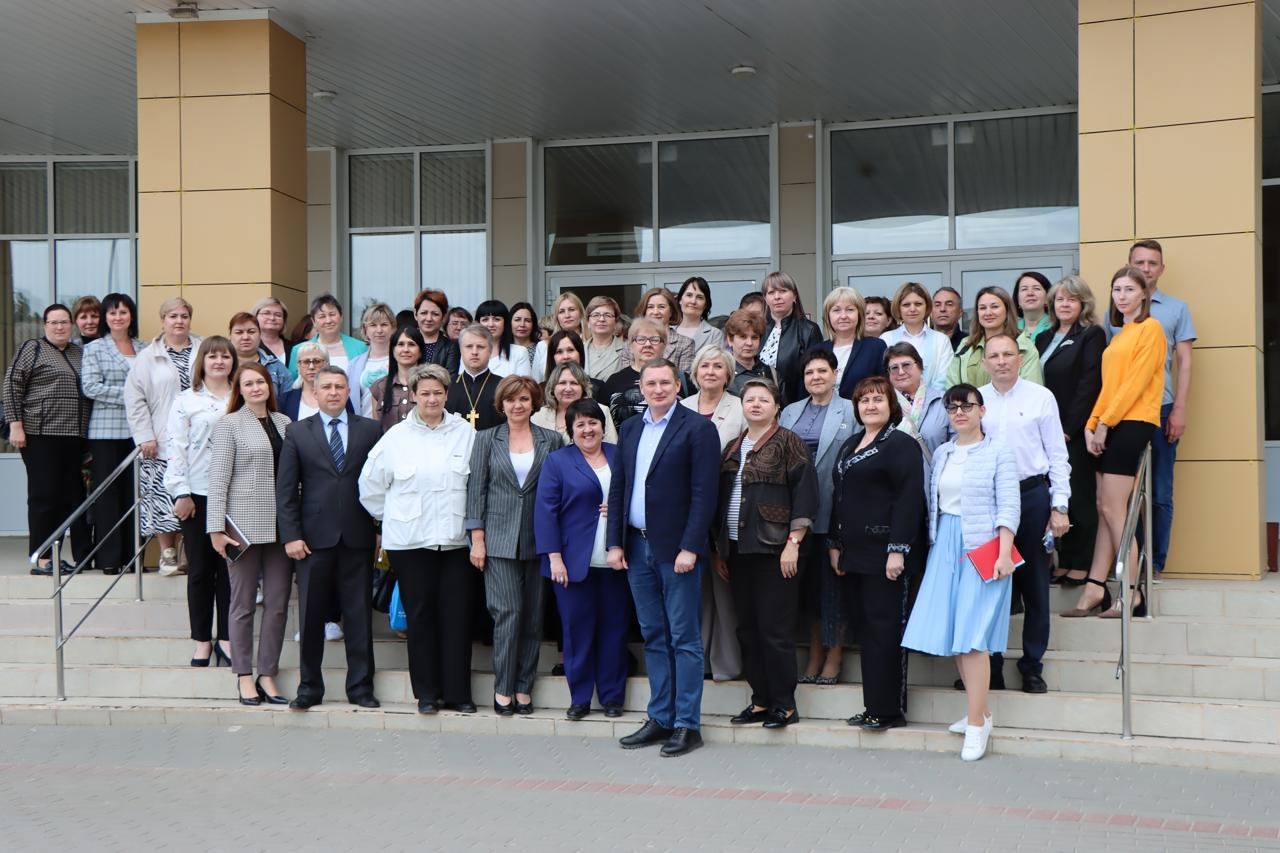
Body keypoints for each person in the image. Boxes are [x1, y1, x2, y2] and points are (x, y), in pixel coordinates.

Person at [608, 358, 721, 757]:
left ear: (677, 385)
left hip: (676, 551)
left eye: (665, 383)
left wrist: (691, 546)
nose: (657, 390)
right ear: (641, 388)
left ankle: (687, 724)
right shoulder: (630, 428)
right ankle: (660, 718)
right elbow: (619, 487)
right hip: (636, 546)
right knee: (654, 635)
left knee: (683, 637)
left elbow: (705, 494)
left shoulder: (698, 428)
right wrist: (614, 543)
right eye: (650, 384)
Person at [901, 384, 1020, 762]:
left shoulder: (999, 451)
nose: (959, 413)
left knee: (972, 637)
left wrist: (1004, 553)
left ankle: (976, 725)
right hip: (945, 545)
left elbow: (1009, 505)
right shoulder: (944, 452)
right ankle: (978, 713)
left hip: (984, 546)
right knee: (955, 634)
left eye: (966, 406)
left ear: (982, 410)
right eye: (952, 408)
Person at [359, 363, 479, 715]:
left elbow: (477, 484)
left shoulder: (464, 433)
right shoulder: (396, 437)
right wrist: (394, 519)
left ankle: (458, 693)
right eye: (424, 393)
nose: (431, 399)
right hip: (410, 543)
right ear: (413, 395)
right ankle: (427, 693)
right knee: (421, 617)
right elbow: (370, 488)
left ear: (447, 394)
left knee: (457, 617)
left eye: (437, 393)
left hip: (455, 542)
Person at [276, 366, 383, 710]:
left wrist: (379, 530)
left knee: (359, 615)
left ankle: (361, 687)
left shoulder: (370, 429)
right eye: (327, 387)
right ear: (315, 392)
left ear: (349, 392)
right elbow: (286, 490)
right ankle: (309, 687)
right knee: (311, 617)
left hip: (358, 535)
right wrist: (291, 535)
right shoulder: (297, 431)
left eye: (339, 386)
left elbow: (381, 482)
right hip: (312, 539)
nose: (334, 392)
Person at [716, 378, 817, 730]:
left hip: (776, 550)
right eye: (750, 400)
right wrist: (719, 550)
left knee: (775, 629)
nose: (756, 405)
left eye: (763, 400)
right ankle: (760, 700)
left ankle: (784, 705)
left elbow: (806, 496)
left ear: (777, 407)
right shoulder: (732, 447)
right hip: (737, 549)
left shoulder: (790, 442)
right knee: (747, 628)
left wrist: (794, 542)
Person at [1065, 266, 1166, 619]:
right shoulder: (1120, 334)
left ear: (1144, 294)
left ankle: (1132, 592)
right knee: (1104, 506)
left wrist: (1106, 423)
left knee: (1114, 509)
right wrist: (1093, 424)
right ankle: (1095, 588)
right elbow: (1109, 387)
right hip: (1111, 422)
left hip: (1134, 422)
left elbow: (1136, 383)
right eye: (1116, 289)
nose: (1122, 296)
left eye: (1129, 289)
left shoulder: (1151, 329)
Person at [828, 376, 926, 731]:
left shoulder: (901, 444)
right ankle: (873, 706)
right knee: (868, 632)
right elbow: (839, 497)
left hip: (886, 556)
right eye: (864, 400)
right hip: (854, 554)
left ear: (891, 405)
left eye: (878, 399)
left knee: (885, 631)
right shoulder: (850, 443)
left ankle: (889, 711)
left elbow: (908, 500)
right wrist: (835, 544)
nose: (871, 405)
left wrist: (897, 550)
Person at [466, 375, 565, 715]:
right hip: (498, 540)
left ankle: (524, 686)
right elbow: (476, 491)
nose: (517, 405)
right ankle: (503, 686)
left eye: (524, 399)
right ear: (502, 404)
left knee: (533, 617)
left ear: (534, 402)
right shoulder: (485, 439)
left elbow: (559, 491)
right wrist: (477, 539)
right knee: (508, 613)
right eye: (511, 399)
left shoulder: (552, 439)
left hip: (540, 540)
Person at [978, 334, 1070, 694]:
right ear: (984, 362)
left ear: (1020, 359)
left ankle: (1032, 665)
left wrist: (1059, 506)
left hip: (1031, 495)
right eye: (994, 356)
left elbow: (1057, 455)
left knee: (1034, 586)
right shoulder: (976, 401)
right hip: (988, 499)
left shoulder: (1040, 397)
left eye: (1008, 354)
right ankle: (991, 666)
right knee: (991, 585)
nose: (1001, 361)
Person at [535, 399, 630, 720]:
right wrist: (554, 558)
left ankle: (612, 697)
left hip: (616, 560)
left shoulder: (620, 455)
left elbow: (637, 496)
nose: (588, 430)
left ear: (603, 426)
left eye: (593, 423)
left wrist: (618, 509)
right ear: (570, 430)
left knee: (614, 630)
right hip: (572, 563)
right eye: (580, 424)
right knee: (577, 632)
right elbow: (545, 513)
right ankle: (580, 698)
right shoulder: (558, 461)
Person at [206, 363, 293, 707]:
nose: (256, 387)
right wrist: (215, 529)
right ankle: (244, 674)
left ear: (269, 386)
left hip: (282, 527)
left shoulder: (285, 423)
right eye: (249, 383)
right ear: (239, 390)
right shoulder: (229, 424)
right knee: (242, 604)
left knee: (277, 604)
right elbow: (217, 479)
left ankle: (267, 673)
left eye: (261, 382)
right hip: (242, 528)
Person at [1115, 239, 1196, 576]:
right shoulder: (1116, 310)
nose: (1146, 268)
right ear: (1130, 265)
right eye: (1140, 262)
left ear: (1161, 269)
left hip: (1162, 409)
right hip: (1123, 414)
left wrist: (1180, 409)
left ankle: (1155, 564)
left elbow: (1185, 362)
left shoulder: (1176, 309)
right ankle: (1133, 563)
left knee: (1160, 491)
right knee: (1125, 493)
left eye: (1152, 263)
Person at [780, 349, 856, 685]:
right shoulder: (790, 411)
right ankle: (813, 653)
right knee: (809, 591)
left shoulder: (850, 409)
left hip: (834, 508)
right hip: (796, 511)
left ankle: (834, 655)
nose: (816, 377)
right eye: (810, 372)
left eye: (822, 371)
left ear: (835, 374)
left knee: (834, 588)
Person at [165, 336, 237, 668]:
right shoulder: (186, 400)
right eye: (213, 356)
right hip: (198, 494)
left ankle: (227, 638)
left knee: (230, 571)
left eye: (225, 356)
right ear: (202, 362)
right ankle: (202, 641)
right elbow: (175, 447)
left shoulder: (241, 396)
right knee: (200, 570)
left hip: (236, 495)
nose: (219, 362)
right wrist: (180, 491)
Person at [3, 304, 90, 576]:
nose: (59, 327)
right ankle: (39, 559)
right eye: (54, 322)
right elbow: (12, 384)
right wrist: (16, 424)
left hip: (73, 437)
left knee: (64, 500)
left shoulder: (78, 352)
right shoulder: (33, 348)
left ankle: (52, 556)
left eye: (64, 322)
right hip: (40, 434)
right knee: (44, 497)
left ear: (71, 325)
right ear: (45, 325)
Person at [680, 345, 746, 683]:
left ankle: (726, 663)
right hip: (685, 507)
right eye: (705, 366)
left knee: (724, 589)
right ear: (695, 372)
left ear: (728, 374)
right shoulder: (681, 407)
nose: (710, 371)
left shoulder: (740, 407)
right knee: (694, 590)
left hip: (725, 503)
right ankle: (698, 661)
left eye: (718, 366)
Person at [1035, 275, 1105, 586]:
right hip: (1045, 430)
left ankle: (1082, 561)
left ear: (1083, 303)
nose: (1064, 304)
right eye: (1060, 299)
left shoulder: (1091, 335)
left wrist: (1068, 429)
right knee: (1056, 496)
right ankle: (1063, 559)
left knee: (1079, 497)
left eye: (1071, 299)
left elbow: (1090, 383)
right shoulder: (1044, 337)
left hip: (1072, 432)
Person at [124, 296, 201, 576]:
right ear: (163, 320)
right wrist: (144, 435)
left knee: (197, 492)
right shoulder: (148, 356)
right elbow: (135, 399)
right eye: (173, 316)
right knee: (161, 494)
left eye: (184, 316)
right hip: (161, 438)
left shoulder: (204, 349)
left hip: (199, 436)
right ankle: (167, 554)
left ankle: (191, 549)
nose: (179, 321)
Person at [80, 293, 144, 576]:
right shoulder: (95, 348)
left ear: (131, 316)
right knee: (107, 495)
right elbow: (91, 387)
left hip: (139, 431)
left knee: (134, 493)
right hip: (105, 432)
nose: (118, 317)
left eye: (123, 312)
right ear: (105, 318)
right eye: (112, 313)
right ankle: (109, 558)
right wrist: (132, 395)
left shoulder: (144, 348)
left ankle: (133, 556)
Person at [599, 319, 692, 427]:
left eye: (655, 339)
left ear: (664, 345)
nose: (648, 344)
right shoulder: (615, 381)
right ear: (630, 346)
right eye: (641, 339)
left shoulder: (681, 380)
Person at [947, 286, 1043, 388]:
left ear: (1007, 310)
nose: (988, 313)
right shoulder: (966, 345)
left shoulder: (1025, 346)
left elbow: (1032, 390)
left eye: (994, 307)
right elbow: (952, 387)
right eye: (983, 308)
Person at [759, 272, 822, 405]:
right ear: (765, 298)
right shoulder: (758, 330)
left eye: (783, 291)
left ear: (794, 296)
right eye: (771, 292)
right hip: (760, 404)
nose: (777, 297)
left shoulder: (808, 330)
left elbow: (813, 373)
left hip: (796, 405)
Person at [881, 282, 954, 393]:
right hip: (894, 402)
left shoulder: (941, 340)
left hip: (934, 401)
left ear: (927, 307)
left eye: (918, 304)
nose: (912, 309)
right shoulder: (886, 339)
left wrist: (925, 399)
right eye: (906, 305)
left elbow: (945, 378)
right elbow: (883, 377)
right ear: (898, 308)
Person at [815, 286, 886, 399]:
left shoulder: (876, 347)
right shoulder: (817, 351)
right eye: (837, 310)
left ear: (859, 314)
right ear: (828, 316)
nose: (843, 316)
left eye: (850, 310)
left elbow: (885, 388)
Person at [885, 342, 949, 458]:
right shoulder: (882, 405)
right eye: (894, 368)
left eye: (906, 365)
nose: (901, 372)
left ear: (920, 367)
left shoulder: (944, 401)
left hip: (934, 468)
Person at [532, 362, 618, 444]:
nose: (568, 389)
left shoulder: (601, 411)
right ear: (553, 388)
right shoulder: (538, 415)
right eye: (562, 383)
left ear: (583, 388)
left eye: (574, 383)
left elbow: (612, 448)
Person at [286, 295, 367, 377]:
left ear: (341, 317)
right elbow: (293, 382)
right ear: (313, 321)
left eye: (332, 314)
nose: (328, 321)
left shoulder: (360, 347)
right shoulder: (299, 350)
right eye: (322, 316)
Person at [622, 288, 696, 375]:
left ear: (671, 311)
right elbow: (626, 376)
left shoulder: (685, 344)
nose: (655, 312)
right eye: (650, 307)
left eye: (661, 307)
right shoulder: (630, 344)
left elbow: (684, 378)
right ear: (644, 311)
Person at [369, 325, 427, 432]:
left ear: (420, 352)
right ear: (393, 351)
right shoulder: (379, 386)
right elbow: (376, 429)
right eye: (400, 344)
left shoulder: (430, 385)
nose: (406, 349)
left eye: (411, 344)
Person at [447, 325, 504, 431]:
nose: (474, 352)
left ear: (490, 350)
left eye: (480, 347)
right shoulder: (448, 385)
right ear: (461, 350)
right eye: (469, 346)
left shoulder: (503, 386)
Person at [279, 342, 353, 422]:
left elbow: (351, 425)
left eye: (317, 361)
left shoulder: (338, 396)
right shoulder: (286, 400)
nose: (311, 367)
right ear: (298, 366)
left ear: (327, 364)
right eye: (306, 362)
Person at [343, 302, 395, 416]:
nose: (379, 330)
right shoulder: (354, 364)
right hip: (363, 424)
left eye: (384, 324)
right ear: (365, 329)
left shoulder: (400, 360)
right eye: (373, 325)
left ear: (392, 328)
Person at [227, 311, 291, 397]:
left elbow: (289, 401)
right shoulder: (222, 366)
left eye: (251, 332)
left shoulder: (277, 368)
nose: (245, 337)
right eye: (239, 332)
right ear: (230, 335)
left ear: (260, 334)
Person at [531, 291, 586, 382]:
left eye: (571, 310)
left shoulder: (591, 343)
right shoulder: (544, 346)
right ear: (557, 317)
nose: (567, 315)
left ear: (581, 313)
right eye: (561, 311)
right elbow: (536, 381)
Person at [724, 309, 777, 397]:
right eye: (743, 337)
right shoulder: (723, 373)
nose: (749, 343)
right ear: (730, 340)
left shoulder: (770, 372)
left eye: (754, 337)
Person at [476, 299, 533, 377]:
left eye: (497, 319)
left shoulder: (520, 353)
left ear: (505, 323)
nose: (491, 324)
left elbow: (524, 383)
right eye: (485, 319)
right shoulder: (469, 352)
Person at [413, 289, 460, 375]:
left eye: (435, 314)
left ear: (443, 317)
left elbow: (451, 378)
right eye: (424, 313)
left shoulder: (451, 347)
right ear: (415, 314)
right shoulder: (405, 344)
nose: (429, 319)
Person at [674, 276, 726, 354]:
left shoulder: (714, 335)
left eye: (699, 297)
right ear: (680, 300)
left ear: (705, 305)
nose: (693, 301)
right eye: (689, 295)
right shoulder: (667, 332)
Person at [582, 295, 627, 382]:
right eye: (596, 315)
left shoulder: (627, 351)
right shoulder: (579, 351)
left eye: (607, 315)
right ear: (588, 322)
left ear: (615, 322)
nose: (601, 319)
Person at [252, 296, 292, 364]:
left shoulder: (293, 348)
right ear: (255, 316)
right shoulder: (248, 346)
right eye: (266, 313)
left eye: (278, 315)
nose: (272, 318)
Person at [1015, 272, 1054, 340]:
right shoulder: (1010, 328)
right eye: (1024, 289)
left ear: (1047, 297)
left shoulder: (1057, 326)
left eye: (1036, 288)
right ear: (1017, 298)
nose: (1030, 293)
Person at [931, 286, 967, 351]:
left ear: (960, 312)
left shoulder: (969, 343)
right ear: (930, 312)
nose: (942, 309)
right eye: (937, 305)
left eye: (949, 304)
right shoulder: (920, 341)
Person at [510, 302, 540, 367]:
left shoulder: (540, 349)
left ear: (533, 324)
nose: (522, 325)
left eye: (527, 320)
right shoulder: (504, 349)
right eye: (517, 320)